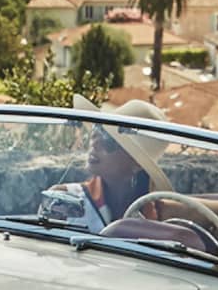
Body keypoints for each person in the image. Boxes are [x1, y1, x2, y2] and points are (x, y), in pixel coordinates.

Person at [39, 98, 172, 231]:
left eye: (109, 140)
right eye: (97, 130)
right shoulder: (63, 199)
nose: (95, 143)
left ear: (137, 163)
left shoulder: (160, 216)